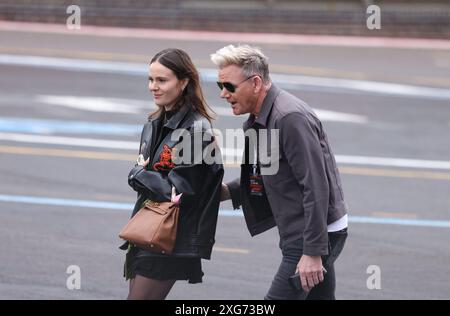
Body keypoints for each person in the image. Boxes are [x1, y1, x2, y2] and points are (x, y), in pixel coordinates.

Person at [211, 44, 348, 300]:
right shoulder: (263, 117)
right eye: (220, 86)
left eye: (229, 86)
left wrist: (313, 251)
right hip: (307, 229)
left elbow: (316, 185)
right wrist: (226, 192)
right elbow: (268, 175)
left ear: (255, 82)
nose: (223, 94)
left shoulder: (288, 118)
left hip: (313, 233)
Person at [120, 48, 224, 300]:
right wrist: (143, 175)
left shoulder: (196, 129)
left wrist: (138, 175)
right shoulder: (154, 123)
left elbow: (179, 190)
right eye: (151, 79)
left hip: (170, 237)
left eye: (161, 80)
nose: (153, 86)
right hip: (146, 231)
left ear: (184, 81)